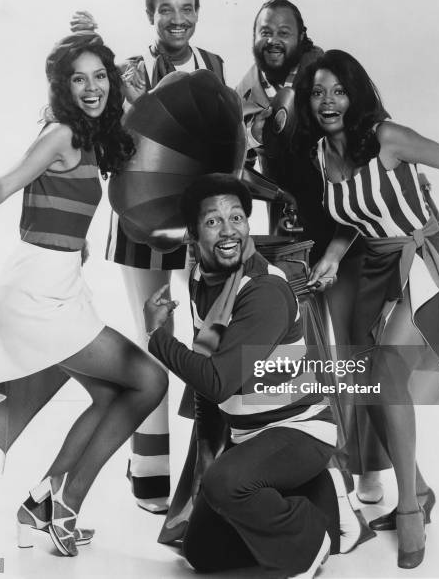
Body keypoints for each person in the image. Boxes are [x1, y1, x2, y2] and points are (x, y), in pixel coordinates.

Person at [0, 32, 167, 557]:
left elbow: (149, 122)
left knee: (111, 393)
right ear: (64, 87)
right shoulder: (58, 134)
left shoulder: (97, 137)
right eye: (80, 78)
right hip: (35, 291)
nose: (92, 87)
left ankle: (43, 505)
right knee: (147, 379)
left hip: (61, 283)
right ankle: (63, 506)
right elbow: (6, 184)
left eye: (100, 76)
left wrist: (75, 250)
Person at [297, 49, 439, 568]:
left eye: (338, 90)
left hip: (420, 256)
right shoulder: (320, 153)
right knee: (367, 383)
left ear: (354, 93)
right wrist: (332, 260)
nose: (328, 101)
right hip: (376, 268)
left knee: (381, 374)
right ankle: (418, 488)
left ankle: (409, 513)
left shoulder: (386, 136)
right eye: (318, 92)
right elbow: (352, 218)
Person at [70, 0, 225, 513]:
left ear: (198, 13)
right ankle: (151, 474)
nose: (177, 19)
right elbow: (99, 130)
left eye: (187, 9)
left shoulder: (215, 67)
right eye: (165, 10)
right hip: (140, 220)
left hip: (200, 224)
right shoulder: (127, 69)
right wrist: (89, 47)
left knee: (209, 341)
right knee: (152, 339)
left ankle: (207, 471)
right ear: (150, 16)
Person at [143, 173, 349, 578]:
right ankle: (310, 494)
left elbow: (218, 380)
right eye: (213, 221)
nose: (228, 230)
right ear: (193, 234)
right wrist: (205, 453)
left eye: (236, 217)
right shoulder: (204, 279)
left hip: (299, 430)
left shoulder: (264, 290)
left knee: (226, 484)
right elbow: (205, 377)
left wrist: (156, 336)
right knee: (203, 553)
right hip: (250, 436)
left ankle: (312, 537)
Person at [237, 0, 389, 502]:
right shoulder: (245, 89)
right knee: (305, 356)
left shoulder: (326, 77)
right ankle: (320, 470)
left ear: (302, 35)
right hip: (291, 238)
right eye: (265, 30)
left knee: (351, 355)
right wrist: (264, 189)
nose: (273, 39)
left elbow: (368, 155)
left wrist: (339, 247)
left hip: (348, 235)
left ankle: (366, 470)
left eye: (285, 31)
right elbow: (246, 167)